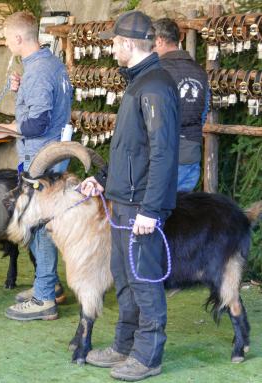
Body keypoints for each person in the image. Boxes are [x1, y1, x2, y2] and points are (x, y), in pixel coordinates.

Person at [79, 11, 180, 381]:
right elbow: (129, 149)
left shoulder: (155, 86)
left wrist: (151, 210)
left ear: (125, 44)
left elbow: (162, 154)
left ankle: (148, 356)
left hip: (141, 208)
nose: (111, 47)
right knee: (124, 276)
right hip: (123, 202)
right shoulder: (138, 83)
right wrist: (103, 179)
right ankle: (124, 345)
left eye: (114, 42)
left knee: (145, 280)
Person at [0, 11, 72, 320]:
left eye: (7, 39)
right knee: (37, 224)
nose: (7, 44)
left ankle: (45, 297)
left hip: (41, 158)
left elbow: (38, 122)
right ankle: (49, 285)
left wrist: (7, 128)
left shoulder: (39, 71)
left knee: (37, 225)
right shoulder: (48, 64)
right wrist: (22, 92)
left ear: (19, 39)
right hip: (47, 155)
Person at [153, 18, 209, 192]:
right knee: (182, 215)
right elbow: (203, 113)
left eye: (151, 42)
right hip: (190, 155)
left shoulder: (156, 71)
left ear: (159, 40)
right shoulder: (200, 72)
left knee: (155, 215)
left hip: (161, 157)